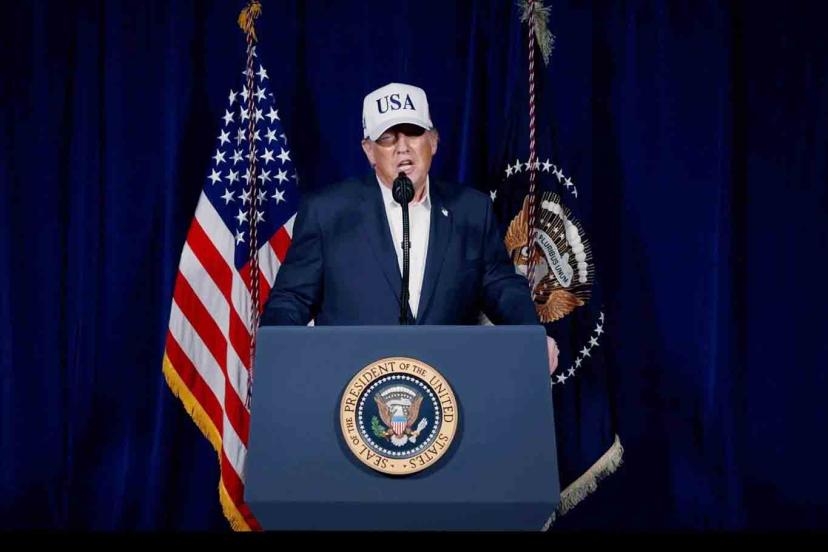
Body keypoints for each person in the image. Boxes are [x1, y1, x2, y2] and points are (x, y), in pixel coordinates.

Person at [261, 82, 559, 374]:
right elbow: (292, 299)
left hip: (448, 385)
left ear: (433, 141)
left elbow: (502, 287)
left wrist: (531, 335)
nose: (402, 147)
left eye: (413, 133)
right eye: (387, 138)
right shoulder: (327, 212)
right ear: (369, 151)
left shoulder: (471, 210)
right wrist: (274, 351)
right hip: (351, 386)